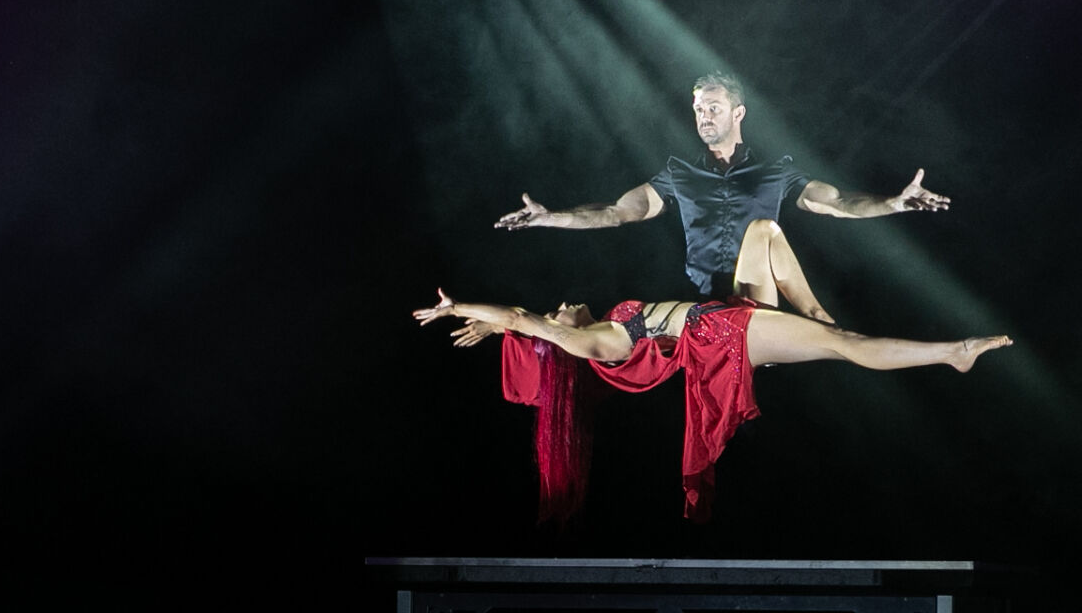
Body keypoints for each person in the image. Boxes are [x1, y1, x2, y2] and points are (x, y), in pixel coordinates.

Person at [416, 219, 1012, 522]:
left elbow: (521, 321)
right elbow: (526, 317)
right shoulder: (592, 342)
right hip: (724, 340)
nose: (560, 305)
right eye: (555, 316)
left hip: (729, 315)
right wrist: (464, 309)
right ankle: (951, 353)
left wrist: (498, 328)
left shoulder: (604, 322)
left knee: (764, 231)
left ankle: (820, 322)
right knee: (849, 345)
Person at [493, 71, 949, 324]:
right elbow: (617, 211)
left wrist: (894, 202)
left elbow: (837, 202)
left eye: (713, 108)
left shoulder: (776, 170)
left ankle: (815, 320)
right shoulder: (680, 173)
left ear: (738, 112)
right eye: (697, 110)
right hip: (707, 305)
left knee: (763, 232)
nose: (703, 116)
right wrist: (550, 217)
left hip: (758, 297)